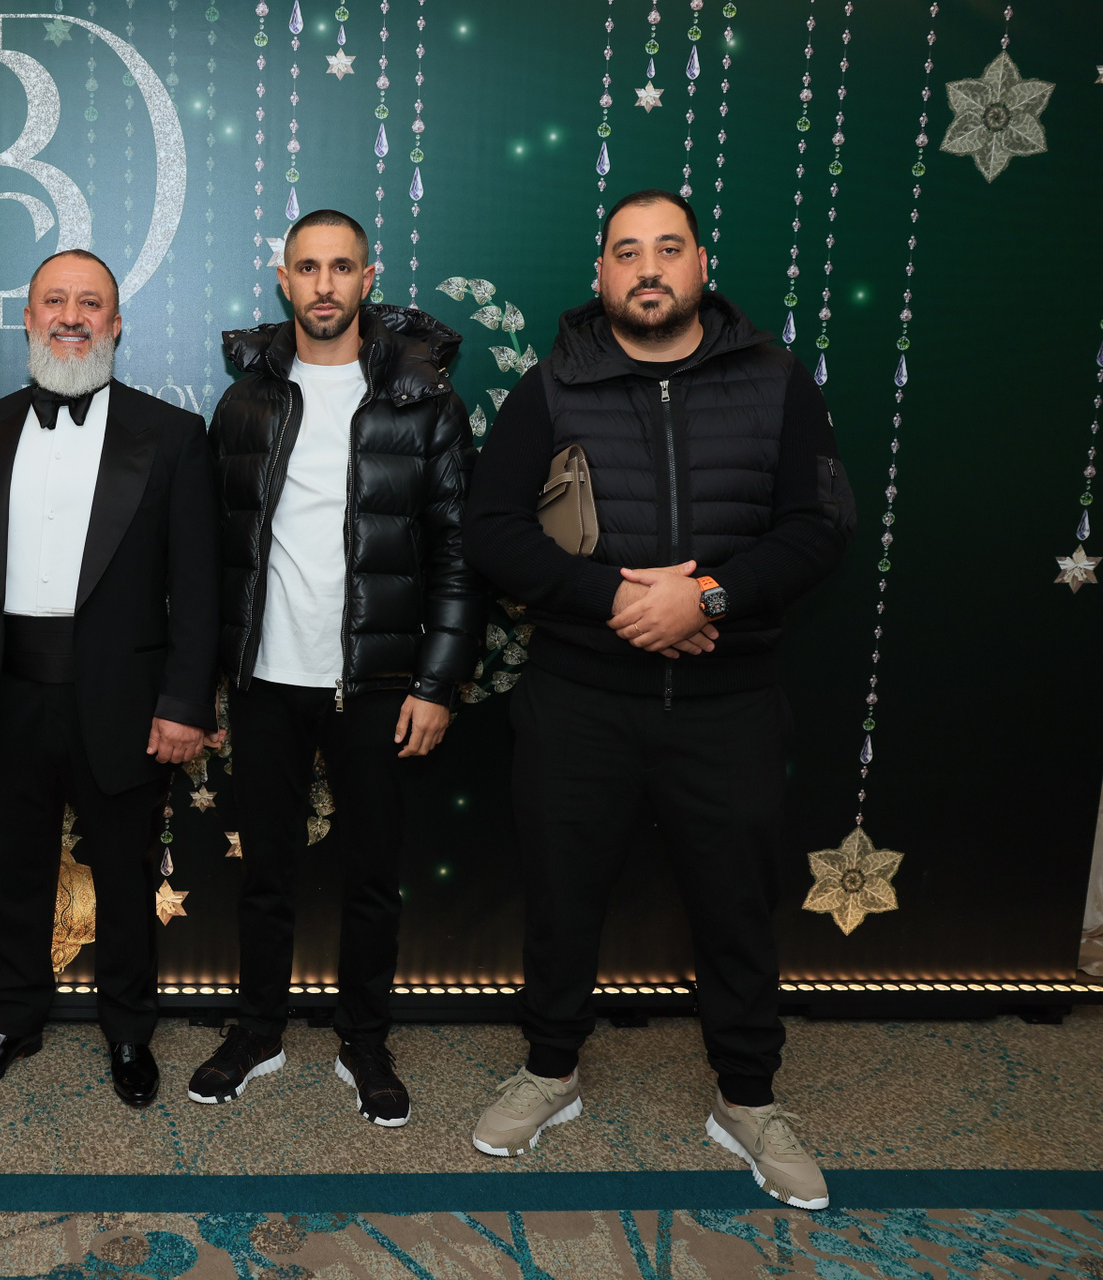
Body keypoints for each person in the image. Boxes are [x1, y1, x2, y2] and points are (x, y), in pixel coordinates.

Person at [458, 189, 853, 1209]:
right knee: (560, 897)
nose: (647, 268)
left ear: (700, 264)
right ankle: (551, 1072)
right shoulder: (551, 386)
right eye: (626, 251)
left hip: (729, 701)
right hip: (580, 698)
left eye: (667, 248)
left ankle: (748, 1099)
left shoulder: (776, 381)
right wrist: (620, 601)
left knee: (737, 906)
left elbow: (820, 527)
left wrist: (706, 597)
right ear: (599, 274)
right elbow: (492, 529)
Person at [193, 209, 483, 1127]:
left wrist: (436, 683)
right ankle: (259, 1032)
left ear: (368, 278)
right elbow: (213, 548)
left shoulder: (424, 400)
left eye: (341, 267)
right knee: (265, 873)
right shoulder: (246, 401)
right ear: (284, 280)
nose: (324, 285)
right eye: (308, 268)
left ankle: (365, 1042)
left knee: (371, 875)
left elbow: (459, 554)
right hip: (266, 681)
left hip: (379, 684)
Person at [0, 249, 220, 1108]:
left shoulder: (172, 435)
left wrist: (185, 703)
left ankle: (129, 1032)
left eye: (91, 304)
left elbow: (199, 586)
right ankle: (12, 1020)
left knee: (125, 875)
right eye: (55, 301)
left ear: (116, 324)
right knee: (15, 870)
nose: (72, 317)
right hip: (10, 690)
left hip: (125, 697)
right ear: (28, 318)